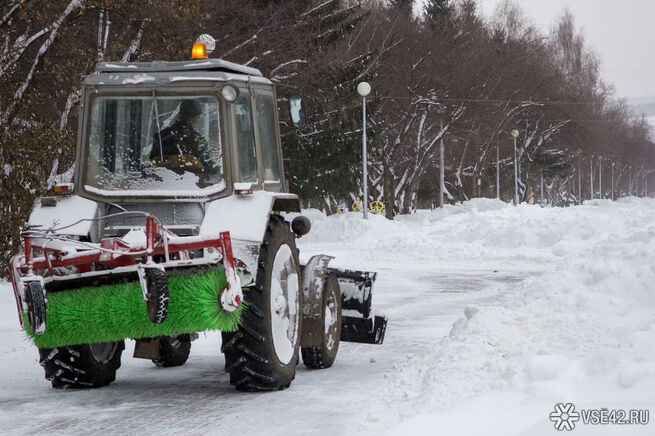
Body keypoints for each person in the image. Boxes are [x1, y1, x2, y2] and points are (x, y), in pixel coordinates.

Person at [151, 99, 214, 173]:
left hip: (164, 181)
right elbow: (208, 170)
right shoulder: (199, 141)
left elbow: (152, 164)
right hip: (190, 182)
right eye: (198, 117)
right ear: (196, 118)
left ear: (180, 114)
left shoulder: (161, 136)